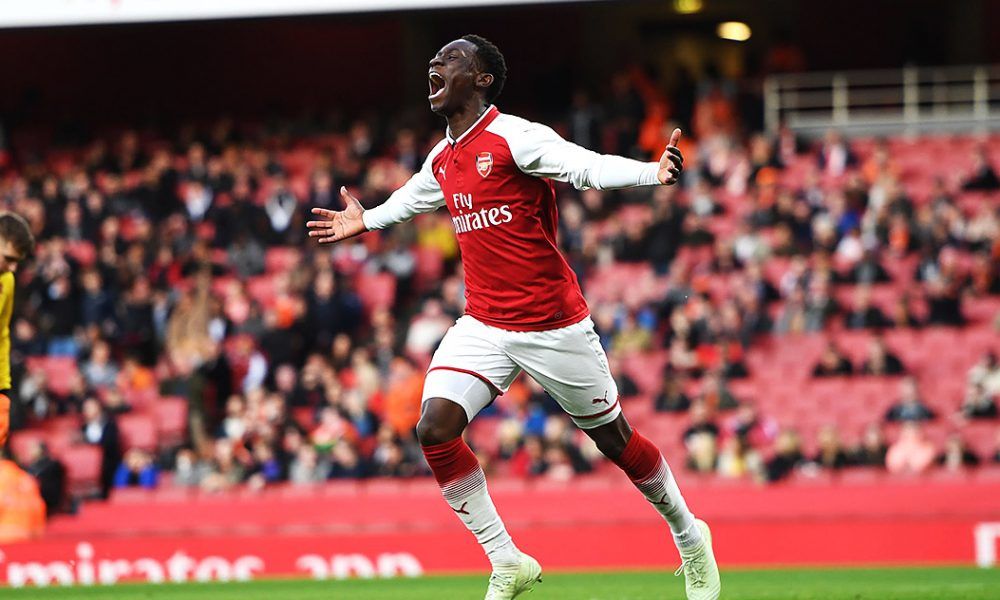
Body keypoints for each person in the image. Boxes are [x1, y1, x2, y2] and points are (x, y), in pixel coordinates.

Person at [306, 35, 719, 600]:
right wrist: (367, 220)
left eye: (451, 58)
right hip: (483, 324)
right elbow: (411, 198)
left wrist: (653, 174)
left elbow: (585, 167)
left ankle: (689, 536)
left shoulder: (514, 138)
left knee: (616, 441)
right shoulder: (441, 158)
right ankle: (507, 561)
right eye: (434, 58)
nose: (435, 63)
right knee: (433, 429)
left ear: (480, 79)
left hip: (553, 324)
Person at [0, 213, 35, 449]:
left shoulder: (8, 281)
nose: (12, 268)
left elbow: (2, 332)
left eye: (17, 262)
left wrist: (3, 386)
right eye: (9, 258)